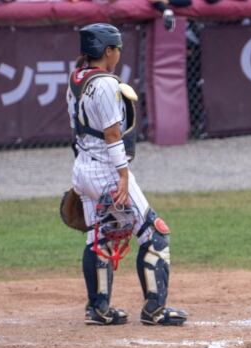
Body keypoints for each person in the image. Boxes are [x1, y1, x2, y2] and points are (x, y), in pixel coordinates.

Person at [67, 23, 188, 326]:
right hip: (107, 169)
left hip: (84, 168)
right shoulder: (106, 84)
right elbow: (111, 134)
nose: (119, 52)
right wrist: (123, 176)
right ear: (107, 51)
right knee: (154, 232)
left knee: (99, 236)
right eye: (117, 47)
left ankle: (98, 308)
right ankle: (155, 309)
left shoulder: (77, 77)